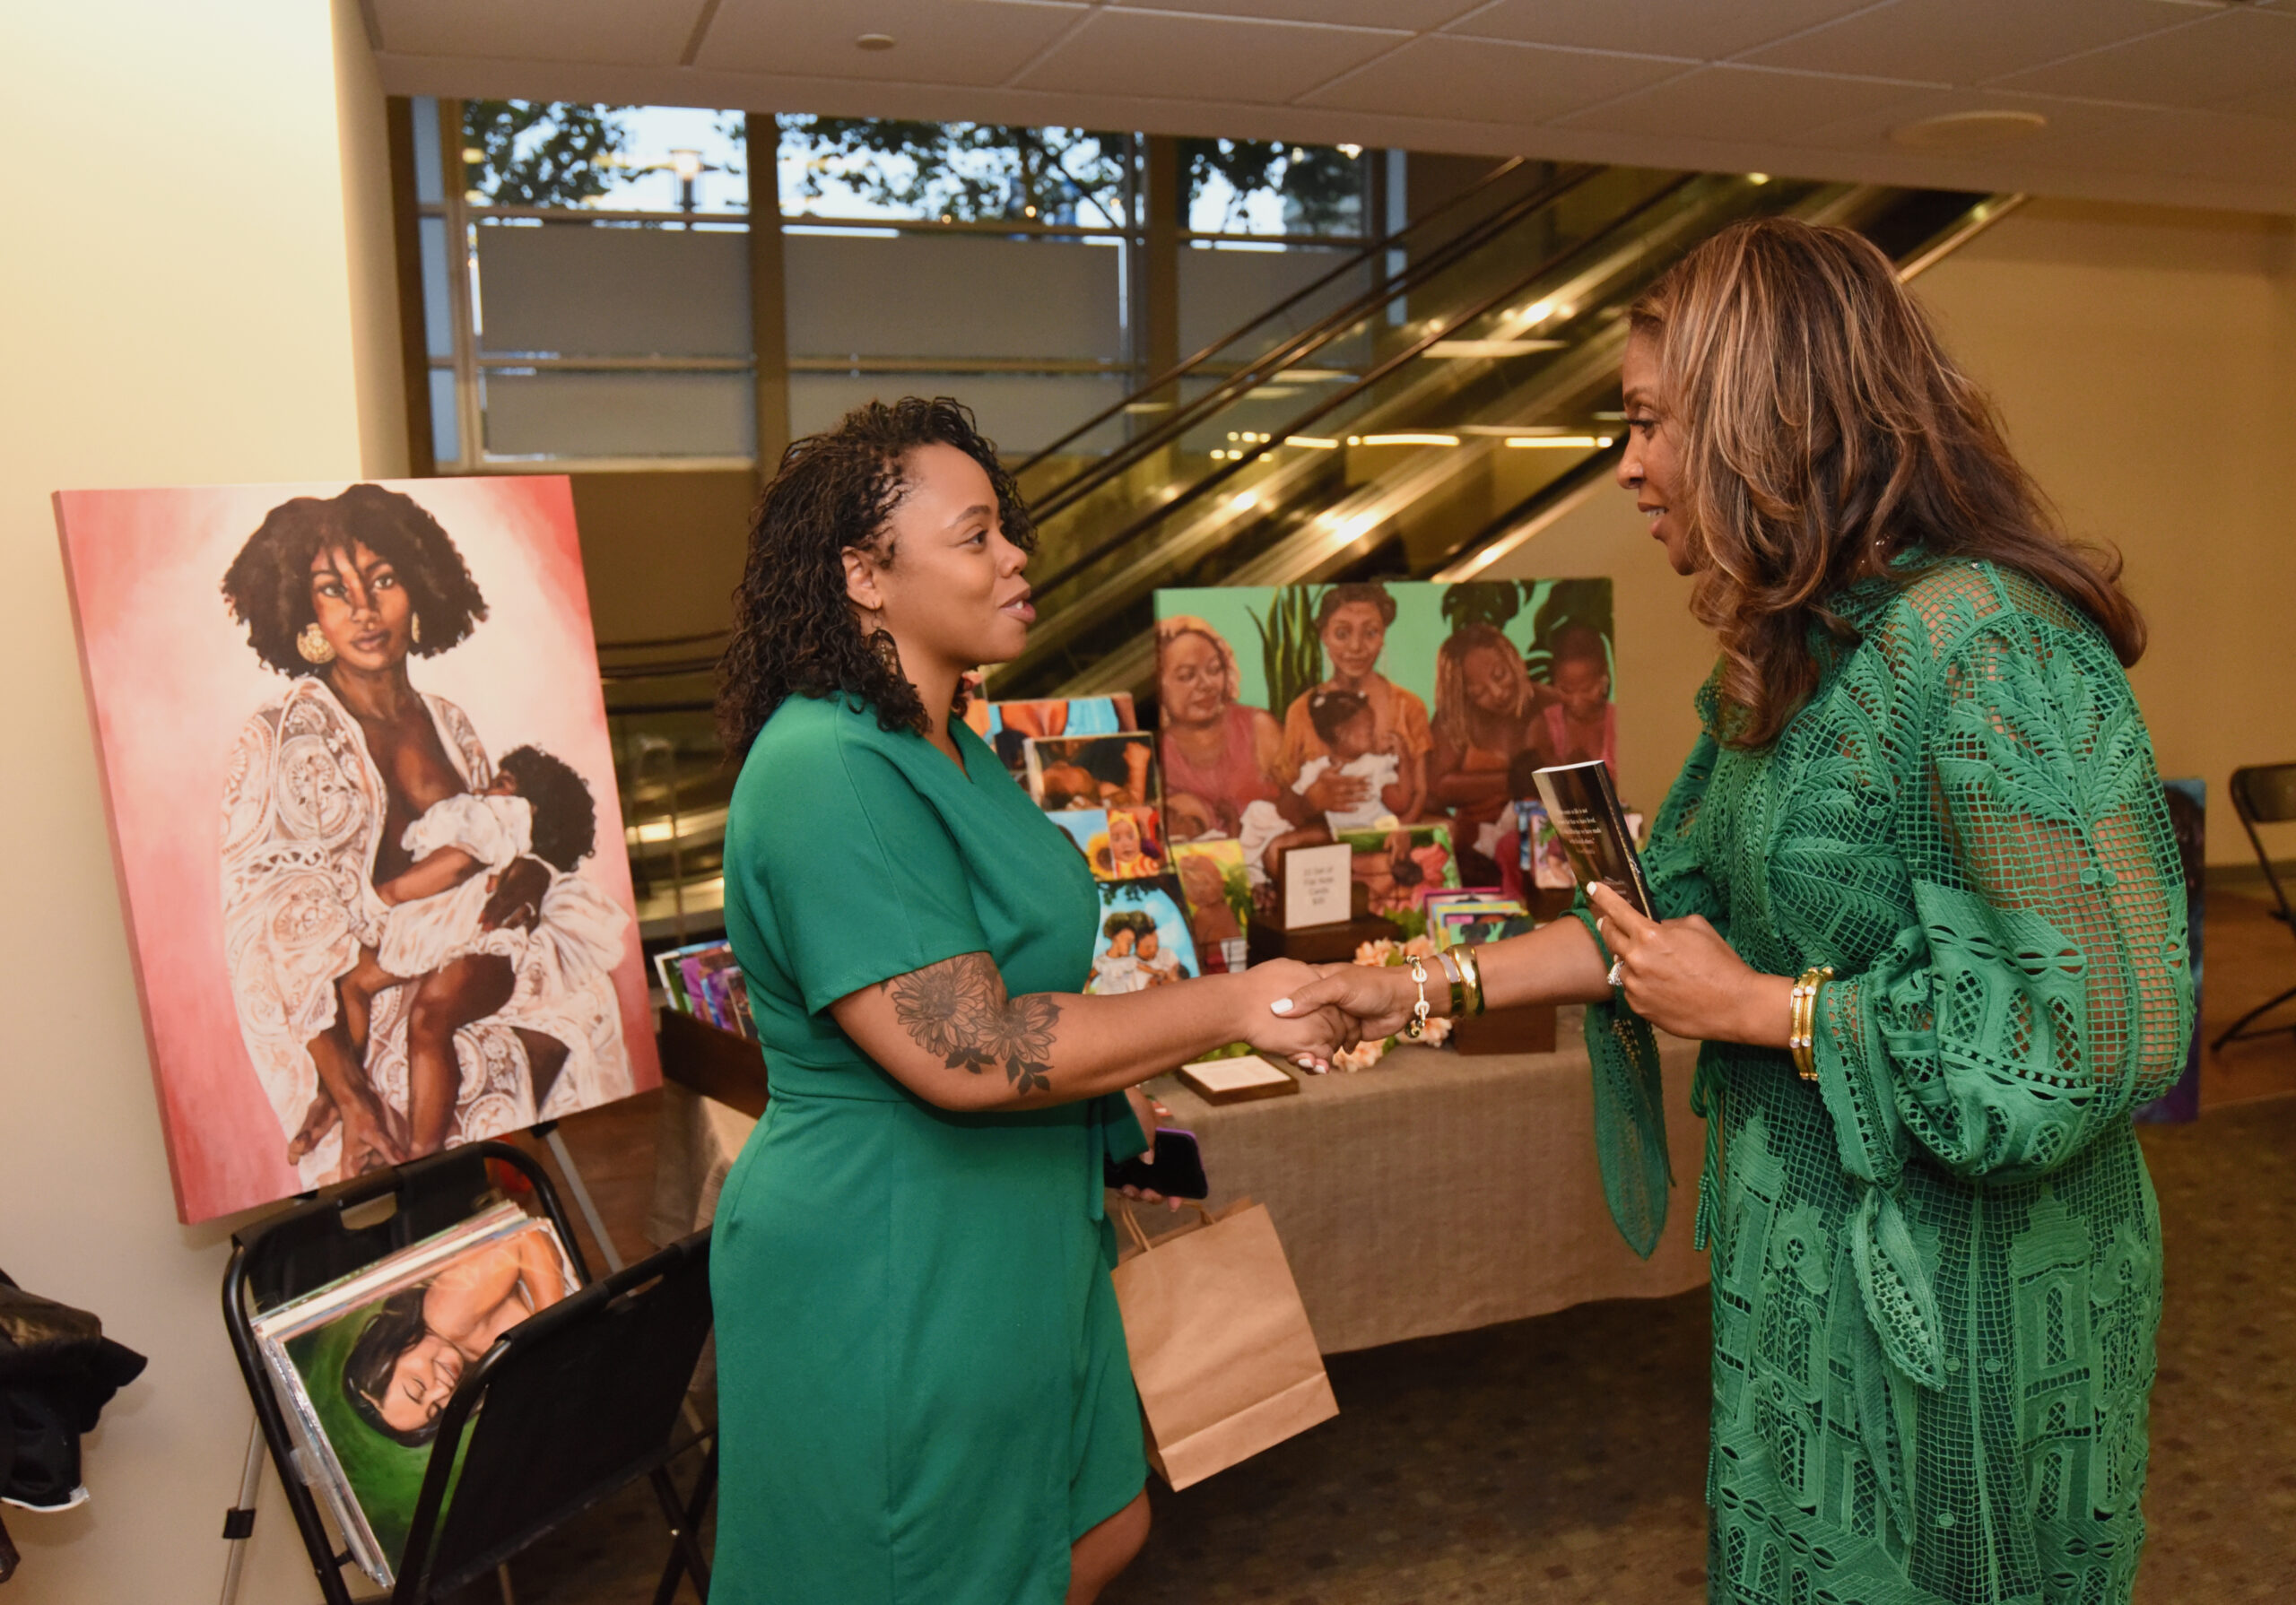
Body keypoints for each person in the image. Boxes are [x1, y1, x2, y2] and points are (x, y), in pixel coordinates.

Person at [1278, 219, 2191, 1605]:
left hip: (1974, 1307)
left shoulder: (1989, 646)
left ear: (1771, 417)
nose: (1630, 465)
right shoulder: (1801, 653)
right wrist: (1419, 992)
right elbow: (1669, 916)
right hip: (1807, 1283)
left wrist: (1770, 1010)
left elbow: (2094, 1029)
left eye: (1652, 422)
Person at [709, 396, 1346, 1605]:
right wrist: (1234, 1002)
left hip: (1017, 1225)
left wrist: (1123, 1103)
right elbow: (974, 1042)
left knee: (1091, 1530)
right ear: (863, 573)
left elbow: (1027, 980)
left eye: (1009, 531)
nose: (1017, 558)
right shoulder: (828, 768)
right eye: (978, 535)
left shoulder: (947, 740)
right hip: (893, 1252)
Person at [219, 486, 632, 1182]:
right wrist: (347, 1095)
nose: (363, 609)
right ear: (304, 609)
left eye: (382, 580)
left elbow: (497, 844)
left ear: (419, 585)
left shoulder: (451, 722)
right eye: (333, 589)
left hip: (459, 957)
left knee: (588, 1012)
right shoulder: (285, 731)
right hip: (353, 1008)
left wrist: (532, 872)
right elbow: (276, 936)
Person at [342, 1224, 570, 1445]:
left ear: (393, 1347)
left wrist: (554, 1339)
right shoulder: (470, 1362)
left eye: (418, 1385)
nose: (443, 1390)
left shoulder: (444, 1315)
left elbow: (525, 1239)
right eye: (437, 1408)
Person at [1275, 581, 1432, 821]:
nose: (1356, 647)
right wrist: (1312, 800)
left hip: (1392, 830)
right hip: (1326, 836)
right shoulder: (1300, 710)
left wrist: (1398, 834)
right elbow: (1286, 800)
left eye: (1370, 633)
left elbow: (1420, 792)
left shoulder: (1408, 705)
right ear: (1324, 636)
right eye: (1342, 634)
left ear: (1383, 636)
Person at [1426, 621, 1540, 881]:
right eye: (1479, 692)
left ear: (1514, 659)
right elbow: (1437, 788)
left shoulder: (1548, 704)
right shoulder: (1454, 720)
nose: (1497, 693)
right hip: (1476, 859)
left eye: (1500, 675)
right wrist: (1514, 780)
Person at [1155, 615, 1284, 837]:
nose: (1206, 685)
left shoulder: (1258, 727)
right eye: (1187, 676)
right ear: (1157, 685)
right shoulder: (1156, 750)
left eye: (1215, 670)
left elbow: (1305, 804)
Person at [1292, 690, 1413, 832]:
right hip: (1342, 840)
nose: (1373, 735)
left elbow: (1401, 804)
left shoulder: (1374, 765)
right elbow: (1294, 811)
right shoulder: (1316, 771)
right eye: (1369, 730)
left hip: (1379, 834)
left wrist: (1404, 762)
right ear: (1341, 733)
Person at [1532, 624, 1619, 777]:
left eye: (1586, 690)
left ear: (1604, 678)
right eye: (1565, 690)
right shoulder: (1544, 726)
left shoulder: (1620, 723)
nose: (1576, 701)